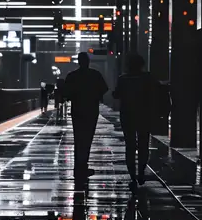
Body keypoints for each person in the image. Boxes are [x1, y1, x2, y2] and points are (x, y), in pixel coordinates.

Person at [113, 53, 159, 188]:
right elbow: (155, 93)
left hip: (127, 116)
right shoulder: (148, 78)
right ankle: (141, 173)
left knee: (130, 145)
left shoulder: (123, 79)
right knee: (143, 144)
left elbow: (116, 94)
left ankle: (132, 176)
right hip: (144, 115)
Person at [63, 51, 108, 186]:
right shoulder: (95, 75)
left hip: (77, 110)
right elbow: (104, 89)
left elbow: (66, 93)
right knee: (88, 138)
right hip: (91, 110)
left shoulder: (72, 76)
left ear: (78, 62)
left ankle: (78, 166)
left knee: (78, 138)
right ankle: (84, 165)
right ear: (88, 62)